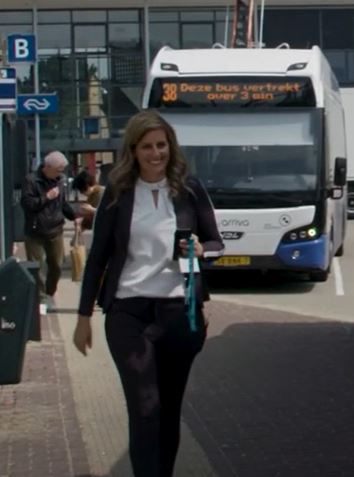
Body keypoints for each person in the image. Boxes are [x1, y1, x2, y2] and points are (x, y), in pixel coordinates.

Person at [73, 110, 224, 477]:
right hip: (129, 312)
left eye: (162, 145)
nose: (156, 153)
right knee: (144, 407)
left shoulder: (189, 189)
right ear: (133, 150)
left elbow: (216, 242)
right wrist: (83, 317)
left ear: (171, 147)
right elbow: (97, 258)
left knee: (168, 410)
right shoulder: (118, 193)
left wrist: (201, 249)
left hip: (179, 312)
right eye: (147, 147)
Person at [21, 151, 93, 298]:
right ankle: (40, 298)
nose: (60, 173)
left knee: (57, 266)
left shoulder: (60, 181)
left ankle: (49, 291)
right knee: (37, 268)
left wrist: (74, 217)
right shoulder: (31, 180)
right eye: (58, 170)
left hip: (55, 230)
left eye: (62, 170)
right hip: (35, 231)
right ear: (47, 167)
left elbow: (63, 204)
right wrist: (46, 197)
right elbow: (28, 204)